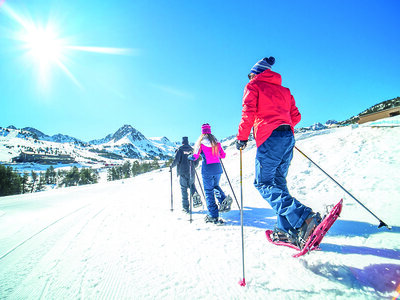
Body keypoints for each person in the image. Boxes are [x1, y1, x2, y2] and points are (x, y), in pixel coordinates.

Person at [236, 56, 321, 248]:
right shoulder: (285, 91)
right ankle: (285, 230)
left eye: (250, 75)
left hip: (269, 138)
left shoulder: (253, 86)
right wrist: (283, 126)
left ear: (255, 74)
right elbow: (296, 116)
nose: (249, 79)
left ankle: (304, 217)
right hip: (287, 137)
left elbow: (247, 113)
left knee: (263, 183)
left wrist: (242, 137)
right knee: (278, 184)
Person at [188, 123, 232, 224]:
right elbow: (223, 155)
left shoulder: (201, 143)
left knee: (208, 191)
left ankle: (213, 215)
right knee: (215, 186)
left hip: (207, 169)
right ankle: (223, 200)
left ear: (203, 132)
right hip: (217, 168)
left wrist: (189, 157)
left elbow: (195, 156)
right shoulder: (216, 142)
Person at [170, 136, 202, 213]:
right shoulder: (192, 150)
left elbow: (176, 160)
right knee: (191, 185)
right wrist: (193, 166)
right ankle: (195, 196)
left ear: (182, 142)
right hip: (191, 172)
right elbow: (196, 161)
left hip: (182, 172)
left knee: (184, 189)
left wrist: (171, 166)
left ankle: (186, 207)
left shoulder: (180, 150)